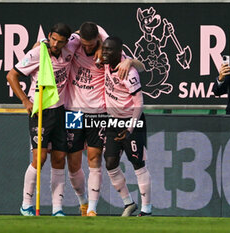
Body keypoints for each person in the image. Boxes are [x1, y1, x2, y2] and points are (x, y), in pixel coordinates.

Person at [65, 22, 144, 216]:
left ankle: (92, 208)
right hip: (73, 111)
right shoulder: (74, 45)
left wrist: (130, 61)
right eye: (86, 44)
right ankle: (82, 202)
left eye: (92, 44)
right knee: (73, 163)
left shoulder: (106, 55)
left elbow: (140, 67)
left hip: (99, 112)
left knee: (95, 159)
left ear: (98, 41)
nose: (88, 48)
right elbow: (52, 45)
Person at [6, 23, 76, 216]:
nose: (56, 44)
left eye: (60, 42)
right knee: (40, 157)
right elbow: (11, 75)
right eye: (53, 39)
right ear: (49, 36)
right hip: (41, 111)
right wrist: (25, 101)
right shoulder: (38, 53)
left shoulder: (71, 47)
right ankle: (26, 204)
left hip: (61, 109)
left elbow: (87, 34)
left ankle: (57, 208)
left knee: (60, 158)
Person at [102, 36, 152, 217]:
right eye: (104, 49)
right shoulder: (107, 62)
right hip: (113, 121)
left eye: (108, 50)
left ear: (118, 53)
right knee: (110, 163)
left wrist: (130, 128)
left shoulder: (129, 73)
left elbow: (139, 102)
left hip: (131, 121)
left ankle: (146, 209)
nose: (104, 53)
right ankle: (128, 203)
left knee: (138, 163)